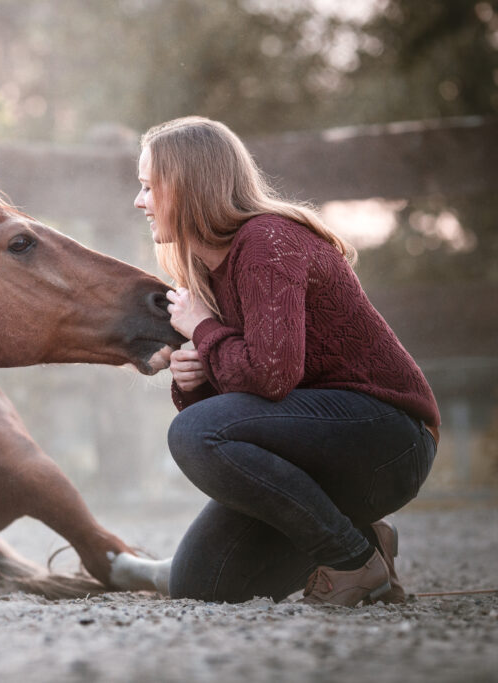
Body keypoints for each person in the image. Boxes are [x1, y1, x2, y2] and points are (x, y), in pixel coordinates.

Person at [137, 116, 440, 606]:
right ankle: (366, 541)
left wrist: (205, 333)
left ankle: (349, 560)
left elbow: (272, 377)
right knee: (200, 585)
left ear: (188, 185)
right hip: (319, 455)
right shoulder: (210, 277)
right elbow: (248, 409)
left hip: (389, 440)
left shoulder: (267, 242)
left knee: (194, 434)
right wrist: (195, 380)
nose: (140, 202)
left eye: (150, 187)